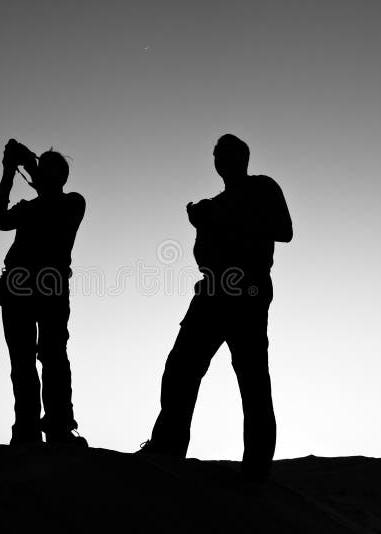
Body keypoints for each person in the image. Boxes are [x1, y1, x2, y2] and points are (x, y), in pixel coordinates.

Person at [139, 134, 292, 482]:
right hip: (211, 292)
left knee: (252, 380)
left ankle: (256, 471)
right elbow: (202, 256)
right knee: (180, 369)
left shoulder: (261, 188)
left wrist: (219, 217)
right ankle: (167, 450)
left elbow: (284, 230)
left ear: (242, 158)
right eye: (217, 155)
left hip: (247, 292)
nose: (220, 160)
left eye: (226, 154)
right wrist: (202, 222)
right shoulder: (215, 204)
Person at [0, 139, 87, 447]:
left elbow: (43, 204)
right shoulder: (40, 206)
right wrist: (11, 171)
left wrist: (21, 167)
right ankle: (34, 430)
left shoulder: (71, 203)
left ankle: (49, 429)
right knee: (32, 360)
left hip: (37, 285)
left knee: (48, 357)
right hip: (37, 286)